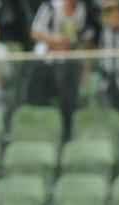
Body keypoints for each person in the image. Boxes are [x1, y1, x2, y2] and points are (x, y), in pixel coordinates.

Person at [28, 0, 96, 133]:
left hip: (69, 60)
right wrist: (54, 41)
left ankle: (67, 130)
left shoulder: (82, 9)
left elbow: (84, 37)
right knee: (42, 99)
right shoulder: (50, 6)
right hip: (45, 60)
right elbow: (35, 33)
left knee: (68, 100)